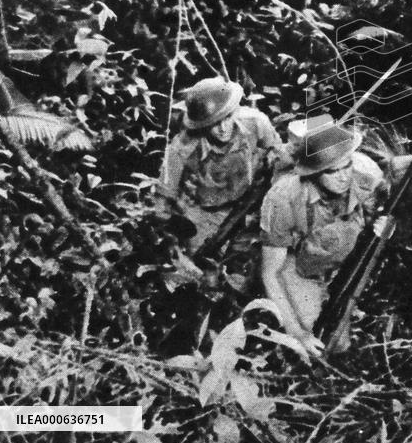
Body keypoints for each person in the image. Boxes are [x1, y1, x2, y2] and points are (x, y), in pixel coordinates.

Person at [259, 115, 393, 355]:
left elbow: (386, 212)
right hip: (300, 266)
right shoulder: (282, 198)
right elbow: (270, 273)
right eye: (332, 171)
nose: (343, 176)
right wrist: (297, 333)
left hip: (347, 260)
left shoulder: (366, 173)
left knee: (340, 345)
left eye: (346, 165)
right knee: (315, 342)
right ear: (314, 173)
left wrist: (386, 229)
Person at [159, 77, 286, 255]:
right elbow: (164, 195)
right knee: (199, 258)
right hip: (202, 211)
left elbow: (277, 151)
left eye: (227, 117)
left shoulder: (255, 122)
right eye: (214, 123)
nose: (223, 128)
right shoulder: (182, 147)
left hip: (246, 204)